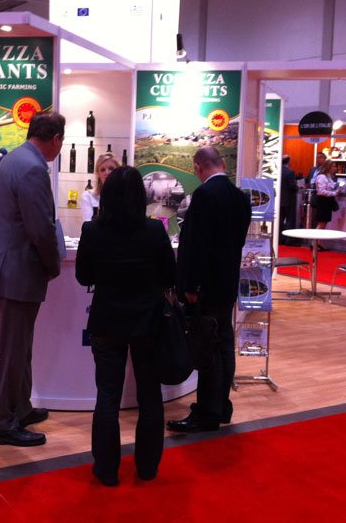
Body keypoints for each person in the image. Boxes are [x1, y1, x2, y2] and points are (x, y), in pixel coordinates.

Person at [75, 166, 176, 486]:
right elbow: (169, 276)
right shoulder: (154, 230)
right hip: (148, 322)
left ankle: (106, 469)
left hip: (106, 321)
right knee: (150, 395)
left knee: (107, 395)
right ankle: (147, 467)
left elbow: (83, 277)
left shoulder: (93, 230)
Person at [0, 112, 65, 448]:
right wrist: (53, 265)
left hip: (5, 269)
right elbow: (40, 229)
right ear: (56, 139)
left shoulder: (14, 159)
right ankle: (1, 422)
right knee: (12, 351)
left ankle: (21, 408)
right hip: (16, 272)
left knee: (20, 346)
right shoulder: (33, 169)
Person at [167, 146, 251, 434]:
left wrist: (191, 286)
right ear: (222, 163)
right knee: (224, 343)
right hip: (227, 283)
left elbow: (196, 246)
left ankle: (206, 412)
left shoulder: (204, 195)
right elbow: (237, 242)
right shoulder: (240, 197)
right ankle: (222, 405)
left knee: (207, 348)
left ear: (198, 167)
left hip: (205, 287)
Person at [81, 153, 120, 222]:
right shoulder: (88, 196)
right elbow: (88, 223)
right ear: (98, 173)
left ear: (119, 171)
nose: (107, 172)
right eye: (102, 170)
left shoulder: (125, 195)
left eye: (111, 169)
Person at [313, 159, 339, 232]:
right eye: (333, 166)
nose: (335, 168)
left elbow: (330, 186)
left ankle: (317, 239)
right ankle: (314, 239)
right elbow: (321, 191)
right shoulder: (322, 177)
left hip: (327, 202)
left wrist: (337, 187)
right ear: (328, 167)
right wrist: (334, 193)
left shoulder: (328, 176)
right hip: (323, 202)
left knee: (324, 223)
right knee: (321, 223)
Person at [279, 155, 299, 243]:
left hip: (280, 200)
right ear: (288, 161)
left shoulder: (278, 171)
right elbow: (292, 186)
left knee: (280, 220)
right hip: (289, 200)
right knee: (290, 220)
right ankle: (289, 240)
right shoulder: (290, 172)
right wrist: (297, 188)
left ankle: (279, 239)